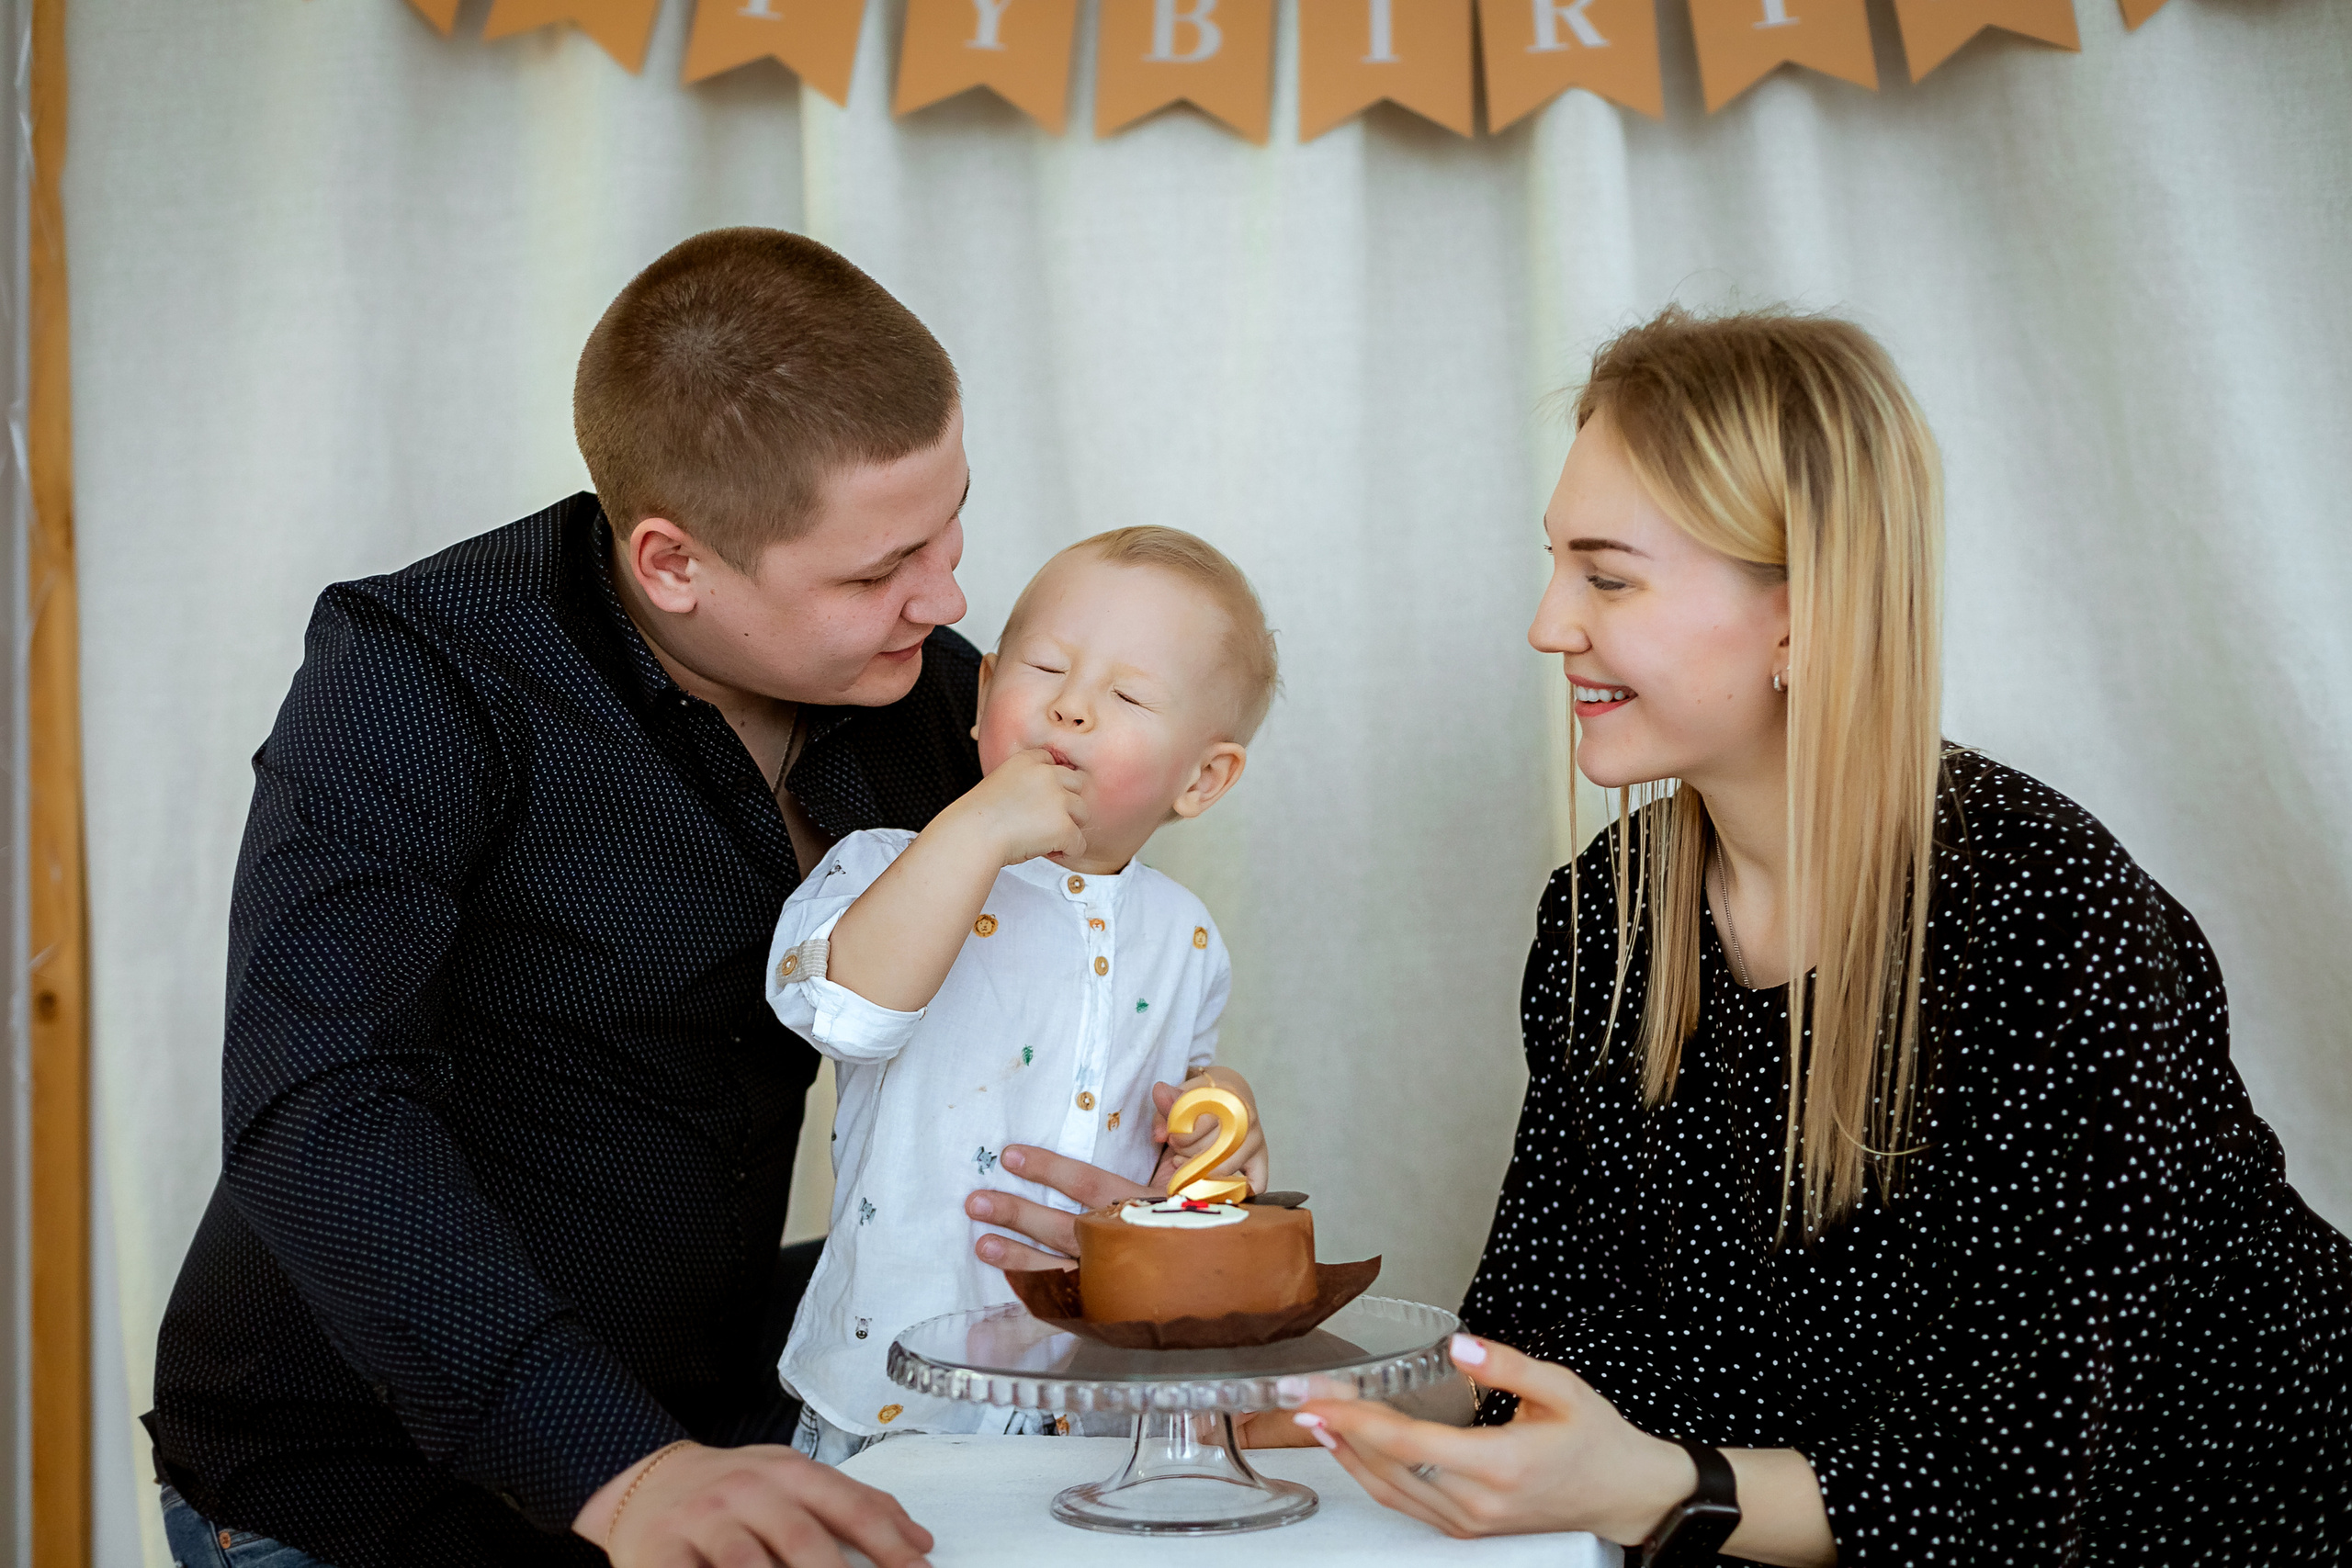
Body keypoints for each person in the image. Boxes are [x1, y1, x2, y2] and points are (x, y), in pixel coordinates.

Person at [1264, 309, 2352, 1564]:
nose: (1548, 623)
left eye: (1607, 575)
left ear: (1800, 614)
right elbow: (1538, 1346)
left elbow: (2021, 1481)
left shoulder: (2053, 913)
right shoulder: (1605, 917)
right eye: (1558, 563)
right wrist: (1264, 1379)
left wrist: (1664, 1489)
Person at [147, 228, 980, 1568]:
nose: (942, 598)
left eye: (947, 530)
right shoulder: (417, 676)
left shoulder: (924, 688)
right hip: (354, 1467)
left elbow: (1031, 995)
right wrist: (617, 1464)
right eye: (877, 572)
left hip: (694, 1409)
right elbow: (318, 1101)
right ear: (672, 564)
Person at [763, 526, 1278, 1461]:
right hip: (899, 1394)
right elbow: (839, 1013)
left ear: (1202, 777)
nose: (1071, 709)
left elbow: (1169, 1109)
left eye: (1125, 695)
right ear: (984, 694)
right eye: (1044, 670)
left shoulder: (1185, 934)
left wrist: (1217, 1116)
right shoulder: (887, 865)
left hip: (1100, 1400)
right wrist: (980, 826)